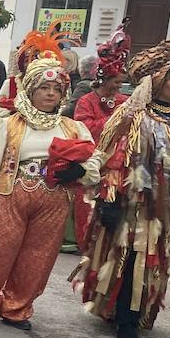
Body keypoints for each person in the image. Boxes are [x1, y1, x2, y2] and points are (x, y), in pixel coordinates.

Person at [0, 56, 98, 330]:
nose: (50, 94)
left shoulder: (72, 128)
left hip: (55, 198)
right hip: (12, 194)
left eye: (57, 90)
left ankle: (17, 308)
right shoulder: (9, 124)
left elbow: (95, 160)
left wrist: (80, 172)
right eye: (44, 88)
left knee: (38, 257)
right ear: (31, 90)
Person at [73, 41, 170, 338]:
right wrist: (111, 198)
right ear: (157, 81)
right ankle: (125, 316)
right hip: (135, 206)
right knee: (132, 257)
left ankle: (141, 312)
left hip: (168, 207)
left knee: (159, 260)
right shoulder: (133, 116)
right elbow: (112, 156)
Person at [70, 25, 131, 250]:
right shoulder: (87, 101)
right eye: (116, 82)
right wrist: (115, 122)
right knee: (87, 213)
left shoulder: (125, 101)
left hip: (118, 165)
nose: (119, 87)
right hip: (92, 162)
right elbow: (83, 128)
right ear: (104, 79)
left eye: (121, 83)